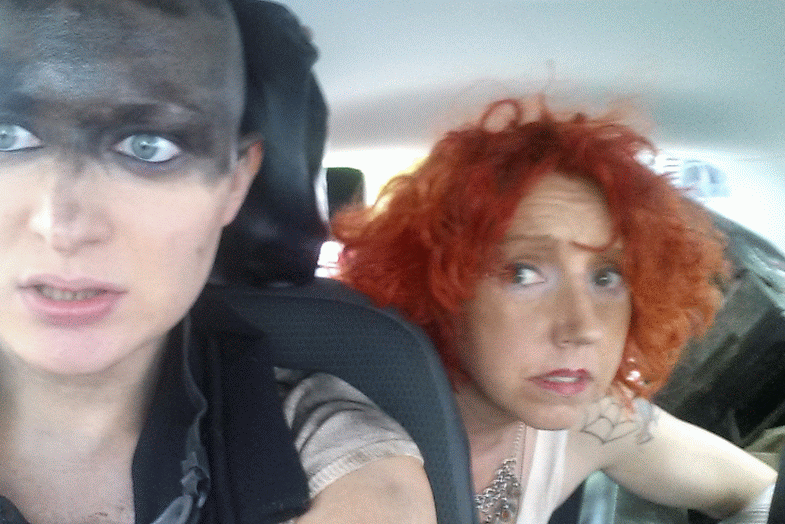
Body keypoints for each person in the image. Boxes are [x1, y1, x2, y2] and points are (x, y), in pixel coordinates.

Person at [0, 0, 437, 523]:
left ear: (235, 182)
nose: (66, 226)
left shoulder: (332, 453)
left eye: (149, 147)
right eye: (2, 136)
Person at [333, 97, 777, 524]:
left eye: (607, 277)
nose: (583, 327)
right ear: (439, 285)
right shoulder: (340, 432)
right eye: (522, 273)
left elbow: (758, 491)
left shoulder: (595, 420)